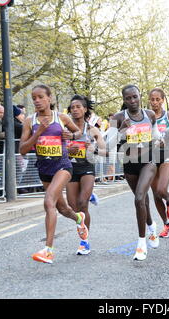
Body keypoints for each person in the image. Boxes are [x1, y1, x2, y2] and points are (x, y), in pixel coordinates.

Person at [20, 84, 85, 264]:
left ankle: (48, 250)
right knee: (62, 208)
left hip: (63, 165)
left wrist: (71, 137)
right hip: (44, 168)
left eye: (41, 97)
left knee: (49, 201)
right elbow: (23, 150)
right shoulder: (29, 121)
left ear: (49, 98)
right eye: (34, 98)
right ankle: (79, 218)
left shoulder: (61, 117)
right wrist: (38, 133)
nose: (37, 101)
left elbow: (78, 131)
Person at [108, 84, 161, 261]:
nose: (132, 101)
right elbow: (108, 146)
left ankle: (141, 243)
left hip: (148, 161)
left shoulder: (150, 115)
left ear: (140, 97)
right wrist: (121, 129)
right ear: (123, 100)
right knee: (143, 201)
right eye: (128, 98)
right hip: (129, 163)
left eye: (135, 97)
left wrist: (160, 141)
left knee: (139, 198)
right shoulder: (118, 117)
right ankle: (152, 225)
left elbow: (156, 136)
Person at [65, 94, 106, 255]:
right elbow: (59, 149)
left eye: (78, 107)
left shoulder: (92, 129)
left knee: (82, 203)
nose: (75, 110)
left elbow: (104, 151)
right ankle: (90, 195)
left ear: (85, 109)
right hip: (70, 168)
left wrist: (93, 148)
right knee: (73, 208)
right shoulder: (65, 129)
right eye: (72, 107)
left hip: (87, 167)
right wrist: (68, 150)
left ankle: (84, 242)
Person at [148, 88, 169, 238]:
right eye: (152, 99)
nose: (154, 102)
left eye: (157, 99)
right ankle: (166, 224)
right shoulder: (146, 117)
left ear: (163, 100)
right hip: (151, 157)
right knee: (155, 193)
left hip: (166, 155)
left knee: (161, 189)